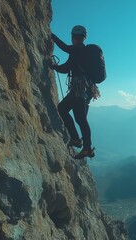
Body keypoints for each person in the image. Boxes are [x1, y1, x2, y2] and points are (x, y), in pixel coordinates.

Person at [50, 25, 97, 159]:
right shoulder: (84, 51)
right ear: (84, 37)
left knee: (65, 110)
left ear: (72, 37)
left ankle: (84, 145)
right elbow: (67, 60)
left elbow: (66, 65)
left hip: (79, 88)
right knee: (80, 117)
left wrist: (53, 37)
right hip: (88, 89)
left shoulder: (77, 49)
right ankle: (79, 142)